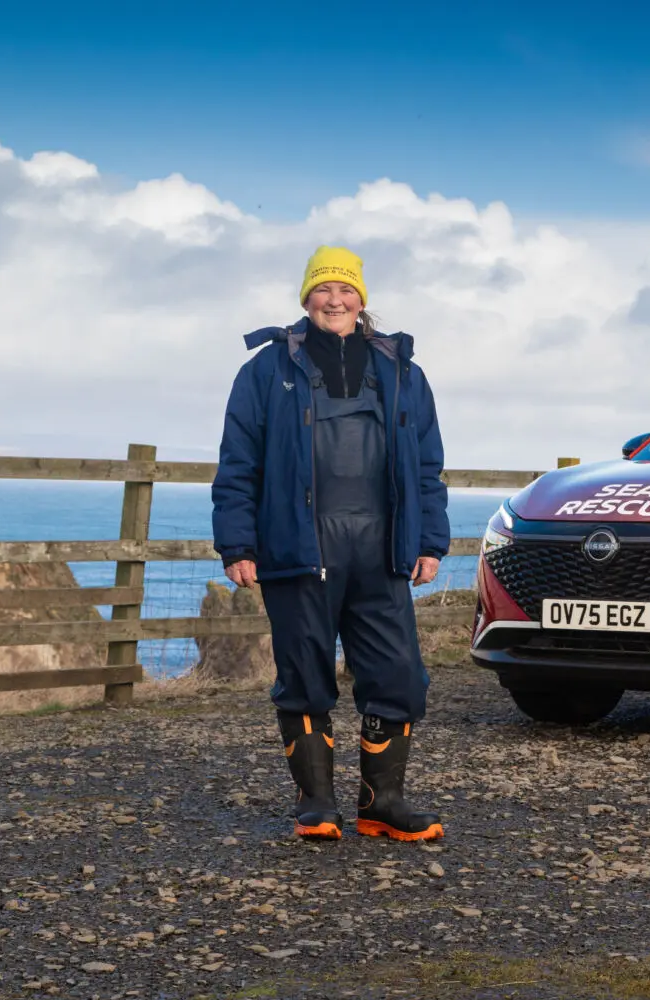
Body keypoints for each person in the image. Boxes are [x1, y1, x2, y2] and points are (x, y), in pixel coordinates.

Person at [212, 246, 450, 841]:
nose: (335, 299)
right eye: (323, 289)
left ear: (361, 300)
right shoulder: (267, 371)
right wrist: (238, 544)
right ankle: (316, 803)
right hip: (297, 549)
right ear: (306, 298)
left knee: (398, 676)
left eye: (346, 289)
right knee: (304, 675)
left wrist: (429, 541)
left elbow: (426, 466)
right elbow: (238, 463)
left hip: (382, 550)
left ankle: (382, 803)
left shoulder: (402, 372)